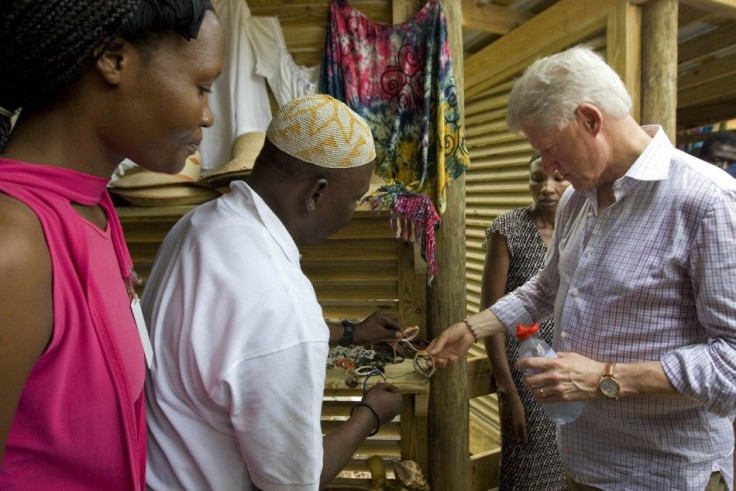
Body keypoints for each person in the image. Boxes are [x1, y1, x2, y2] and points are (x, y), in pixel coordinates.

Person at [429, 45, 736, 489]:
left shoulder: (709, 202)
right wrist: (474, 327)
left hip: (664, 474)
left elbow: (731, 361)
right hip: (583, 461)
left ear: (592, 120)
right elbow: (547, 286)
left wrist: (606, 379)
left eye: (550, 150)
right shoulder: (579, 198)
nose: (547, 168)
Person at [0, 1, 224, 488]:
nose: (207, 116)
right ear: (115, 59)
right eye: (202, 87)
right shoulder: (14, 246)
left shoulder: (95, 210)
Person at [142, 94, 403, 490]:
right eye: (354, 199)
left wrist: (351, 333)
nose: (352, 212)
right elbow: (294, 482)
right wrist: (368, 416)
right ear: (316, 193)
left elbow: (225, 335)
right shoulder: (282, 303)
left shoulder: (196, 226)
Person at [481, 151, 570, 490]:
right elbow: (491, 314)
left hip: (571, 370)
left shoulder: (580, 227)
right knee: (528, 473)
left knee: (570, 470)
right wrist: (507, 392)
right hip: (527, 376)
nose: (547, 188)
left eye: (558, 178)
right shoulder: (508, 230)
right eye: (537, 179)